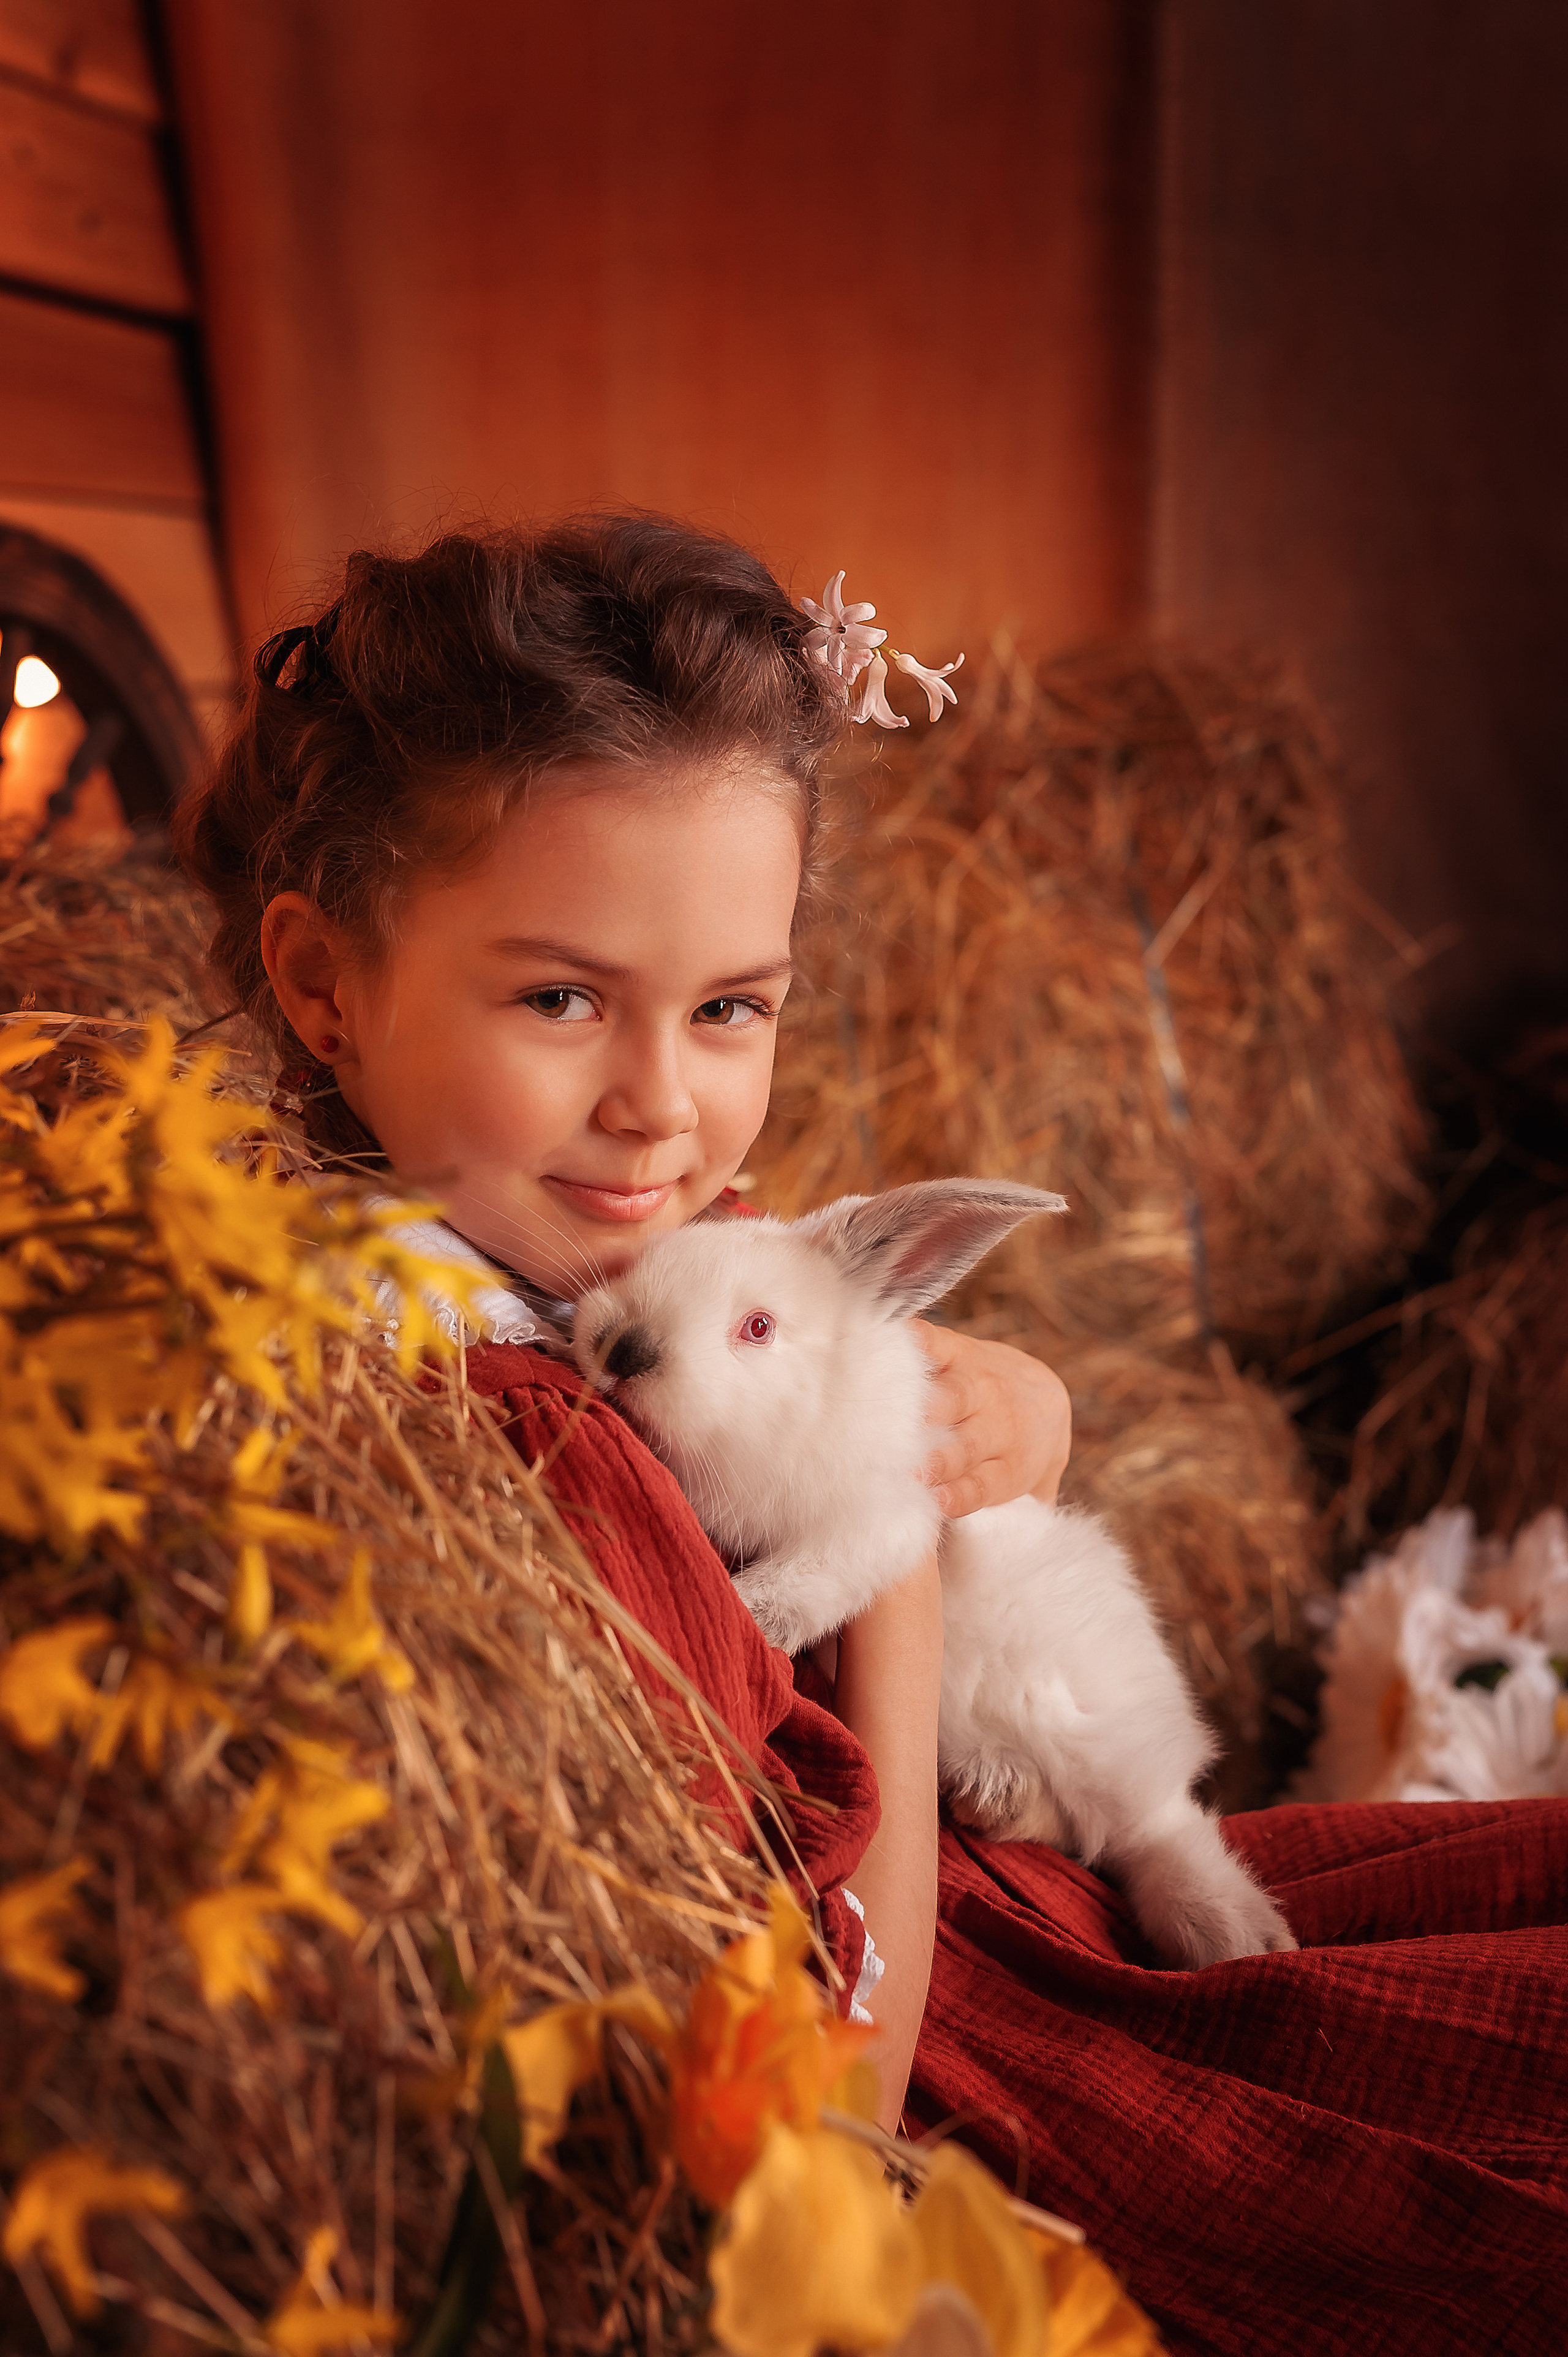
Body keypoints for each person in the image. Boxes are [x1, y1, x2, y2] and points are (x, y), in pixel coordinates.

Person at [177, 516, 1566, 2356]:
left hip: (1029, 1883)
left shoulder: (624, 1256)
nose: (663, 1105)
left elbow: (851, 1360)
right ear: (324, 982)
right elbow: (846, 2059)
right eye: (562, 997)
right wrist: (895, 1540)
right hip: (974, 2042)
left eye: (732, 1006)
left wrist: (1015, 1409)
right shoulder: (499, 1433)